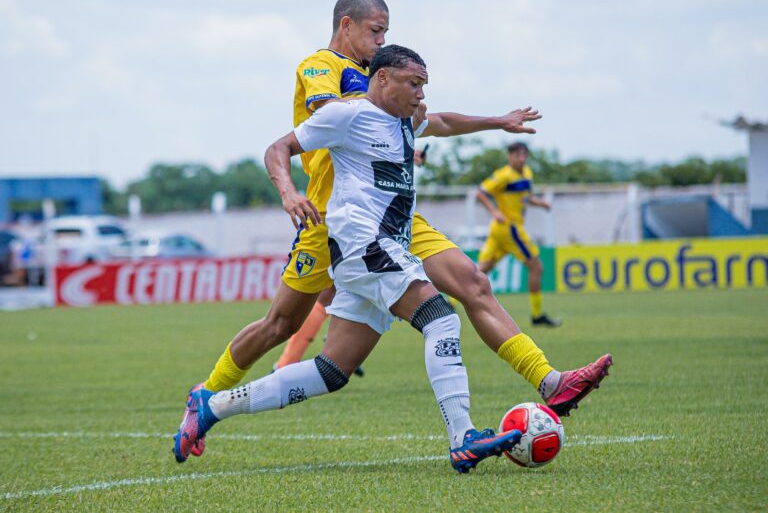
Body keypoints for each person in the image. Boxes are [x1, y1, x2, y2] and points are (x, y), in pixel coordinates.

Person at [175, 0, 611, 459]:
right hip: (335, 220)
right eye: (375, 30)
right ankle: (208, 390)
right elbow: (328, 119)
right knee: (286, 323)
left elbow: (436, 120)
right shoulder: (332, 78)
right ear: (347, 26)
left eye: (386, 32)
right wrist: (292, 189)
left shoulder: (390, 100)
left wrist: (491, 120)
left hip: (391, 222)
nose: (381, 38)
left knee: (364, 350)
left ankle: (552, 381)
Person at [175, 45, 526, 473]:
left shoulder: (406, 119)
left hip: (376, 249)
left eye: (423, 86)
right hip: (364, 244)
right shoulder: (348, 114)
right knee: (441, 317)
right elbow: (277, 149)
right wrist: (289, 192)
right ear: (381, 79)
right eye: (413, 84)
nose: (420, 95)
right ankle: (463, 437)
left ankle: (211, 407)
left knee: (331, 371)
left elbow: (445, 121)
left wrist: (499, 121)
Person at [476, 142, 560, 326]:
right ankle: (537, 315)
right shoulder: (503, 175)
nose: (521, 158)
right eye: (517, 155)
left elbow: (526, 197)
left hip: (500, 230)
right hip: (510, 228)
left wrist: (541, 204)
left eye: (524, 155)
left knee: (481, 270)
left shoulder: (527, 173)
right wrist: (494, 211)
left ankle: (450, 303)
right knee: (537, 267)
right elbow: (480, 193)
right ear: (510, 156)